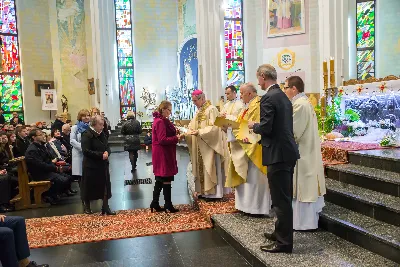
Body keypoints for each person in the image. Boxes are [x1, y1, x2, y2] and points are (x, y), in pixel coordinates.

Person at [248, 64, 300, 253]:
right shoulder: (282, 96)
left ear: (263, 76)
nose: (258, 82)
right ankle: (281, 233)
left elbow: (267, 127)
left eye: (258, 78)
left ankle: (284, 243)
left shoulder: (269, 97)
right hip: (286, 152)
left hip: (278, 154)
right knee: (283, 198)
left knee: (281, 201)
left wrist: (254, 126)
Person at [283, 76, 326, 230]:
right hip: (305, 151)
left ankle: (304, 224)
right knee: (303, 186)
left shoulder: (300, 105)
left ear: (294, 89)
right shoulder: (302, 103)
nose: (284, 90)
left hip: (303, 153)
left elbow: (293, 132)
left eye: (286, 87)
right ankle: (301, 222)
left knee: (303, 186)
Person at [226, 83, 271, 216]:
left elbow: (259, 126)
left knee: (254, 180)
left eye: (242, 93)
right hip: (243, 146)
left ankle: (256, 208)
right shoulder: (246, 106)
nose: (240, 95)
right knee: (247, 179)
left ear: (250, 94)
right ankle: (245, 206)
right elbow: (241, 123)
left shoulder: (258, 105)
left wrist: (237, 132)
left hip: (254, 149)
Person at [185, 90, 229, 199]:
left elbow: (215, 128)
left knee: (210, 167)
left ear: (202, 98)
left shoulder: (212, 109)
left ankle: (214, 194)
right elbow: (192, 126)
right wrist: (186, 132)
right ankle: (203, 192)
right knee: (202, 168)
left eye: (195, 100)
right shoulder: (199, 111)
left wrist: (199, 132)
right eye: (193, 101)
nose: (194, 103)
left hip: (210, 146)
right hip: (200, 145)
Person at [150, 101, 183, 213]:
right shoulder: (160, 121)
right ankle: (168, 204)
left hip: (163, 152)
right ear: (163, 109)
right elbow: (162, 140)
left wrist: (175, 133)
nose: (170, 112)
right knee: (166, 177)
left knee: (160, 178)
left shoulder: (161, 120)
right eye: (169, 109)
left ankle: (155, 202)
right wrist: (177, 138)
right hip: (163, 153)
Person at [25, 129, 71, 204]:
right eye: (40, 135)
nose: (43, 136)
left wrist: (56, 166)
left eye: (43, 134)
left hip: (46, 170)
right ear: (34, 137)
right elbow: (40, 164)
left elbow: (48, 159)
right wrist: (55, 168)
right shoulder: (32, 149)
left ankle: (55, 194)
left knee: (68, 177)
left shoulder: (41, 145)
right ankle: (48, 195)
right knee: (62, 180)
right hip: (39, 173)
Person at [80, 115, 115, 215]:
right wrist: (101, 155)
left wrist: (107, 152)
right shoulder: (86, 135)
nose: (103, 127)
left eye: (103, 125)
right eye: (100, 125)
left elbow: (107, 146)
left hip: (102, 164)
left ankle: (105, 207)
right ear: (94, 124)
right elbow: (86, 151)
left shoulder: (102, 133)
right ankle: (87, 207)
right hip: (91, 165)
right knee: (89, 186)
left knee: (105, 186)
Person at [70, 109, 90, 182]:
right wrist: (83, 147)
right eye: (84, 116)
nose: (87, 117)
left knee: (88, 175)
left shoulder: (91, 127)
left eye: (88, 115)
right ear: (80, 117)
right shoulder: (75, 127)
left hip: (89, 153)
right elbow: (72, 140)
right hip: (79, 152)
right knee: (81, 176)